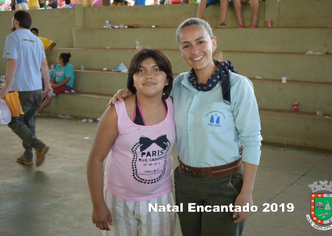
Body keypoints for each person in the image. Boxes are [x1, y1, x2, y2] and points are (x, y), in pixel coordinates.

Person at [111, 17, 262, 236]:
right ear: (180, 50)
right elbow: (150, 96)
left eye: (201, 42)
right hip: (186, 184)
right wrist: (127, 94)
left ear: (213, 43)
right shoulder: (179, 85)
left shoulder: (238, 86)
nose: (195, 50)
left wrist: (246, 193)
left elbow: (252, 139)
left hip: (224, 185)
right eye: (186, 45)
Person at [87, 48, 176, 235]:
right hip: (119, 200)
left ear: (167, 79)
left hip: (160, 199)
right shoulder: (116, 112)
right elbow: (95, 159)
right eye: (140, 70)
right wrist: (98, 204)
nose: (149, 76)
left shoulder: (176, 108)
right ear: (132, 80)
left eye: (156, 69)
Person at [0, 10, 53, 167]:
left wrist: (6, 88)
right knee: (29, 123)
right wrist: (47, 85)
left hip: (21, 90)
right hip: (36, 89)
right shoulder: (36, 40)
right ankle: (28, 155)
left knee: (14, 121)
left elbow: (12, 63)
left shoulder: (13, 38)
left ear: (16, 22)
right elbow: (44, 64)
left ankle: (38, 146)